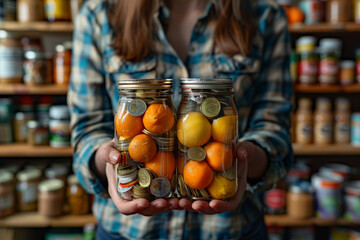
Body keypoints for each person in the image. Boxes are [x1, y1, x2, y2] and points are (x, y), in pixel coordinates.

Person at [67, 0, 293, 239]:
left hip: (233, 229)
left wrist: (246, 159)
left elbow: (274, 127)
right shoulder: (100, 14)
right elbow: (87, 128)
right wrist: (107, 160)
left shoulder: (264, 15)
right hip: (126, 231)